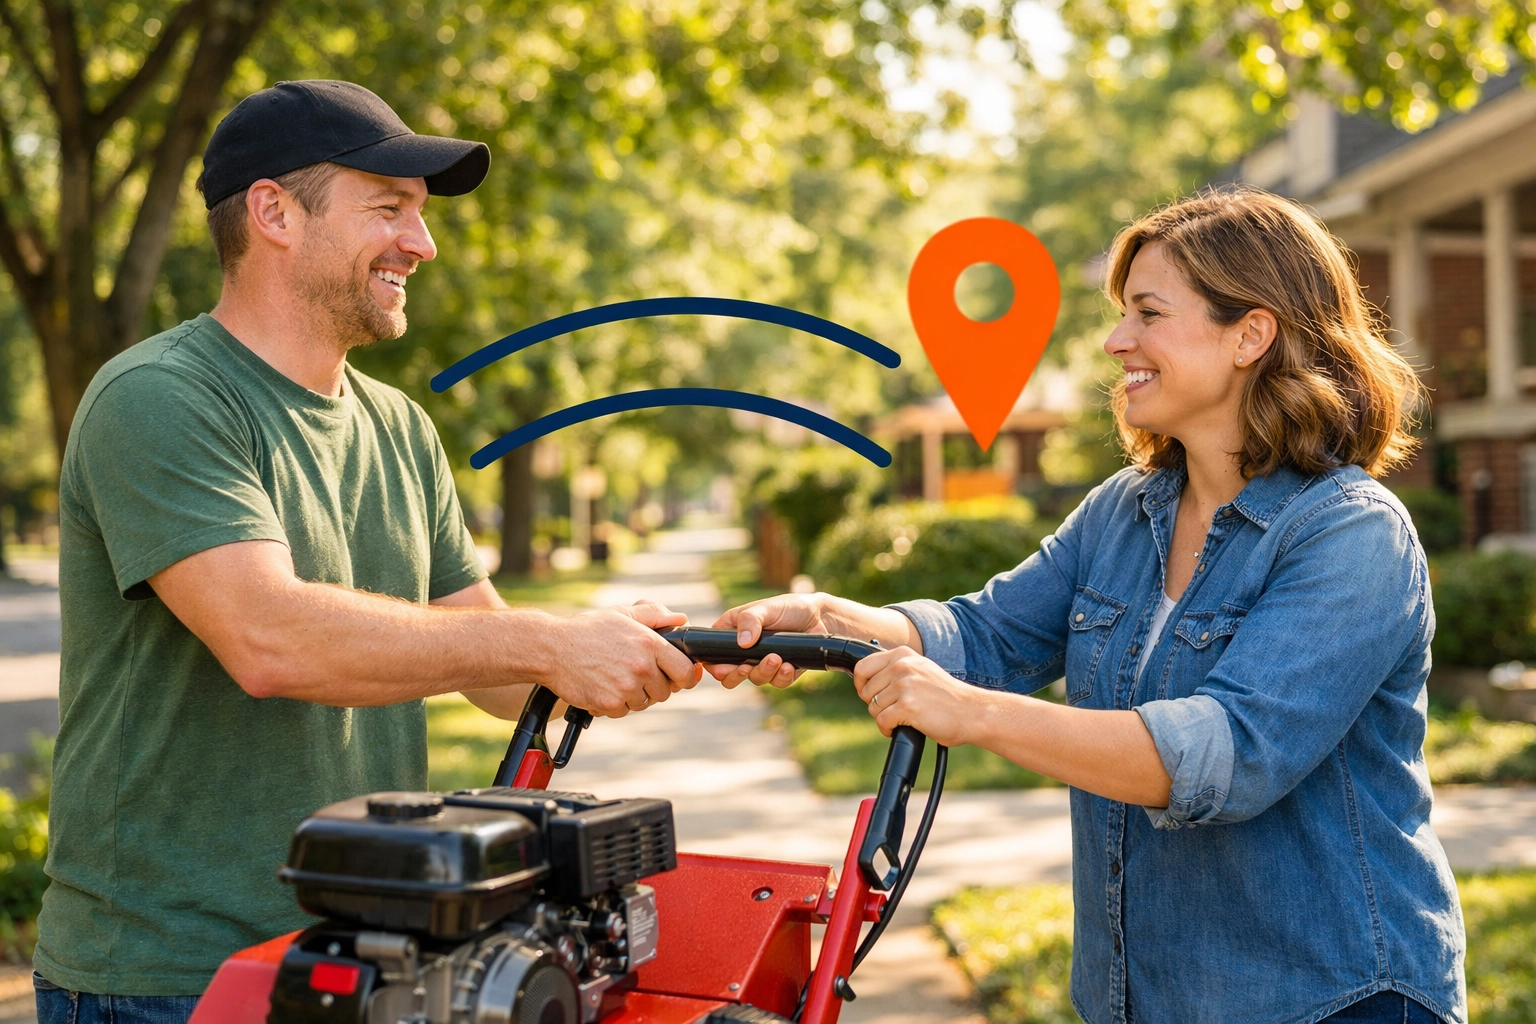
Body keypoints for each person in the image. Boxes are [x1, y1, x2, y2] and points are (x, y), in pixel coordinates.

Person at [708, 187, 1466, 1024]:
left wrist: (974, 715)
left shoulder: (1350, 535)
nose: (1117, 341)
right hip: (1152, 1002)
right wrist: (834, 621)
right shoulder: (1127, 509)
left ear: (1251, 333)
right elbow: (988, 632)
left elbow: (1226, 754)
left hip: (1332, 999)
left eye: (1148, 313)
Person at [33, 80, 699, 1024]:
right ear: (273, 212)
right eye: (389, 209)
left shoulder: (400, 428)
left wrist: (641, 648)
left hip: (368, 959)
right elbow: (270, 641)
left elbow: (497, 670)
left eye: (420, 217)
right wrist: (548, 644)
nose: (421, 245)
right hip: (169, 976)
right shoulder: (159, 399)